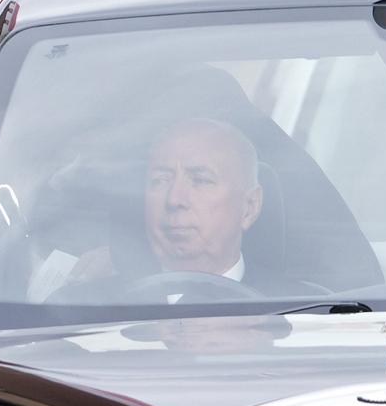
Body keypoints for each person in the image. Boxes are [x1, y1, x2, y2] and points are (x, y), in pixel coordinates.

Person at [54, 118, 276, 300]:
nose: (174, 199)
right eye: (160, 180)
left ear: (249, 207)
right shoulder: (79, 310)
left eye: (200, 180)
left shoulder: (299, 315)